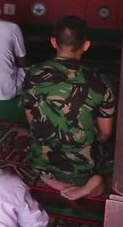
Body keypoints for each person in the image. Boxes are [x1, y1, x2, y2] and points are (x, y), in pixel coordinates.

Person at [21, 15, 116, 201]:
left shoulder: (33, 74)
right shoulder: (100, 82)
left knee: (40, 168)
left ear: (53, 42)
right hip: (84, 163)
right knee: (112, 161)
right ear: (87, 45)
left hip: (44, 157)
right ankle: (92, 185)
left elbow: (33, 122)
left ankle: (57, 182)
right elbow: (105, 133)